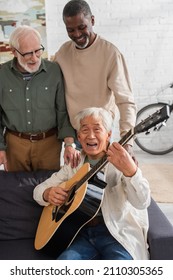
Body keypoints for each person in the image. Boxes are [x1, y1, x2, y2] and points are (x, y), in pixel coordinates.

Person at [33, 107, 151, 260]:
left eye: (97, 129)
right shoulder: (73, 165)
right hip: (81, 234)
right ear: (78, 137)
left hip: (117, 233)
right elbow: (38, 190)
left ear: (108, 135)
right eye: (85, 130)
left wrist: (131, 172)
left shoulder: (122, 161)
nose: (91, 135)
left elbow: (142, 202)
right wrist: (47, 193)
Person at [53, 0, 137, 161]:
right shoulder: (63, 53)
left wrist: (128, 142)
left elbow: (126, 101)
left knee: (104, 181)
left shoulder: (110, 53)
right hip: (74, 132)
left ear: (92, 20)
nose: (77, 34)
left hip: (100, 133)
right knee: (75, 184)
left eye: (82, 27)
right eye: (70, 30)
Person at [0, 25, 80, 172]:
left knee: (49, 189)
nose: (35, 58)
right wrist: (0, 148)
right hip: (15, 145)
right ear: (13, 51)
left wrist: (69, 144)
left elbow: (63, 110)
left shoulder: (54, 71)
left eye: (38, 51)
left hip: (49, 144)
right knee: (15, 191)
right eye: (27, 54)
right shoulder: (2, 74)